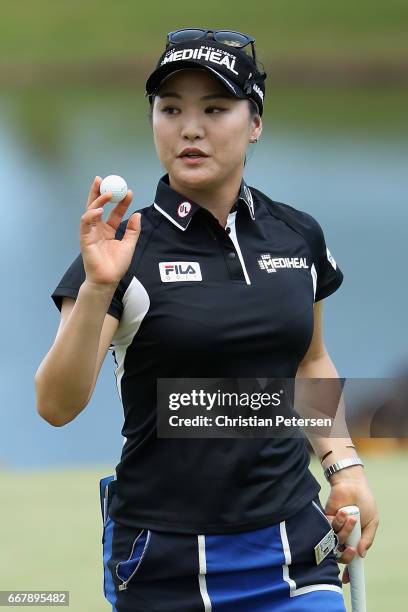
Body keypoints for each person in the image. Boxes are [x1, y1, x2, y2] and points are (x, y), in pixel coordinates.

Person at [35, 28, 379, 612]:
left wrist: (343, 464)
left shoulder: (297, 234)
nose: (189, 128)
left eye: (215, 109)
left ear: (255, 123)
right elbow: (57, 404)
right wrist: (98, 285)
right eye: (170, 110)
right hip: (164, 559)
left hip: (293, 547)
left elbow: (308, 360)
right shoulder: (123, 247)